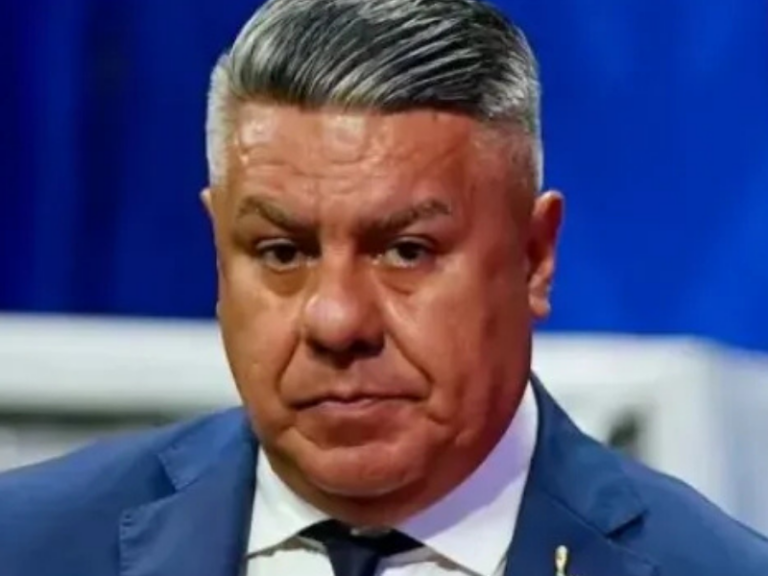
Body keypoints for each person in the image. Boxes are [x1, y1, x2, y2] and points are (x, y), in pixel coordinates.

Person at [1, 0, 766, 574]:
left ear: (533, 258)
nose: (336, 320)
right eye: (281, 251)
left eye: (406, 251)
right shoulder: (28, 546)